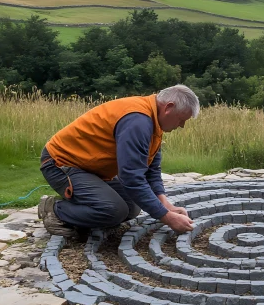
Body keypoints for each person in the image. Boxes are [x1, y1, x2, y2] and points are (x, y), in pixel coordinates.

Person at [38, 85, 199, 237]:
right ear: (168, 107)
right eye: (181, 119)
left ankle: (85, 216)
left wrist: (166, 206)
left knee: (132, 207)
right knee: (113, 210)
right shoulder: (138, 121)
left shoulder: (153, 120)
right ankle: (55, 210)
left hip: (90, 167)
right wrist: (167, 218)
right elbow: (132, 179)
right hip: (61, 163)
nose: (182, 126)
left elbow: (152, 169)